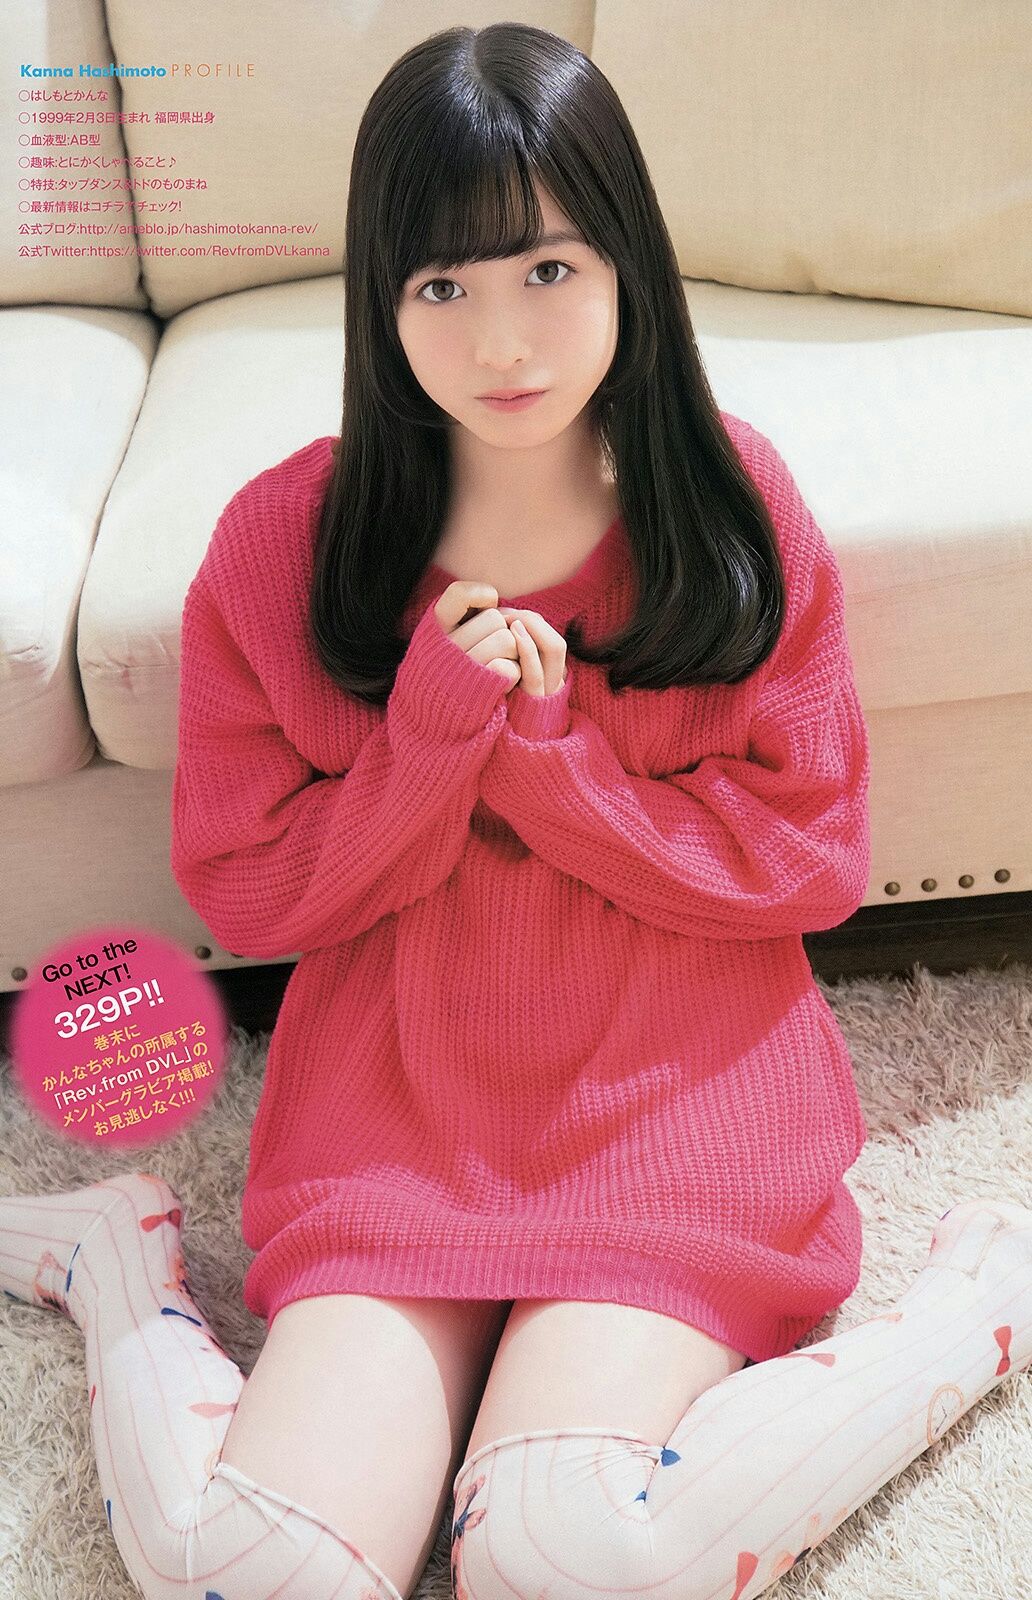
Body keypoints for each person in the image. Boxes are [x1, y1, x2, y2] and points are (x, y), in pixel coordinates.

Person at [2, 20, 1030, 1600]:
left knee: (566, 1557)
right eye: (442, 286)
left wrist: (551, 765)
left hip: (671, 1090)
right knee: (261, 1572)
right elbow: (255, 892)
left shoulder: (731, 513)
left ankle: (980, 1305)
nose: (502, 340)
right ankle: (113, 1263)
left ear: (627, 263)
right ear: (381, 299)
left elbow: (812, 864)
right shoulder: (283, 544)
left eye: (549, 269)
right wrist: (426, 740)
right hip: (402, 1104)